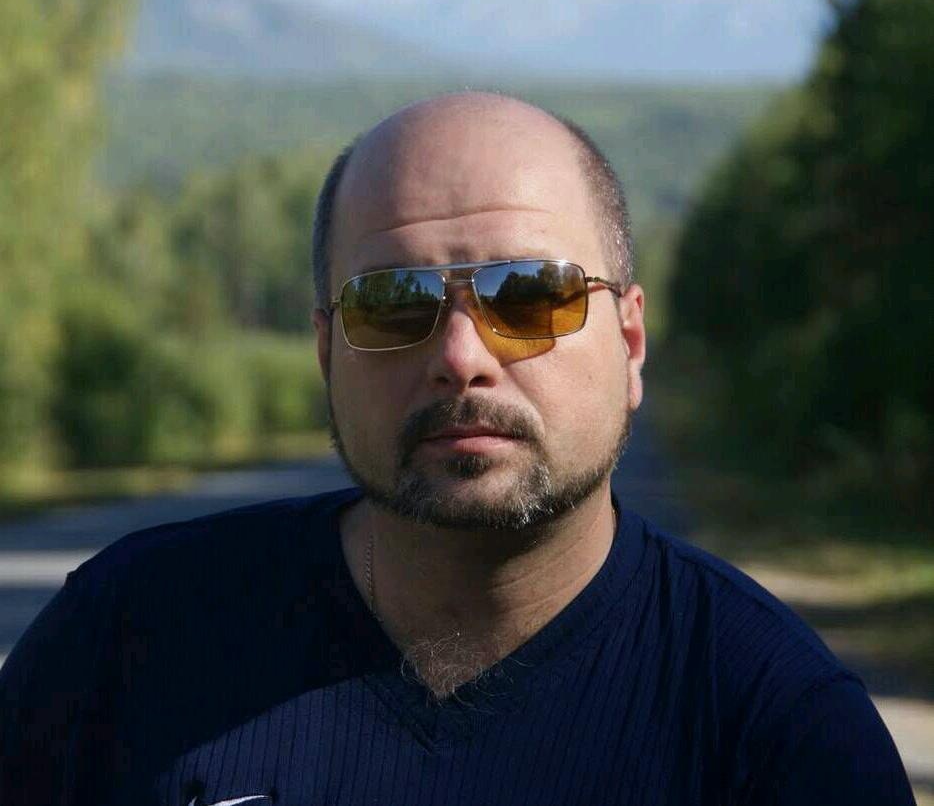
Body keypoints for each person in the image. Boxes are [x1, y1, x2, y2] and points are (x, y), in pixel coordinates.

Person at [0, 92, 915, 805]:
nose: (461, 357)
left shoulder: (775, 731)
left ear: (631, 341)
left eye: (530, 295)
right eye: (392, 303)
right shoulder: (126, 642)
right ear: (326, 353)